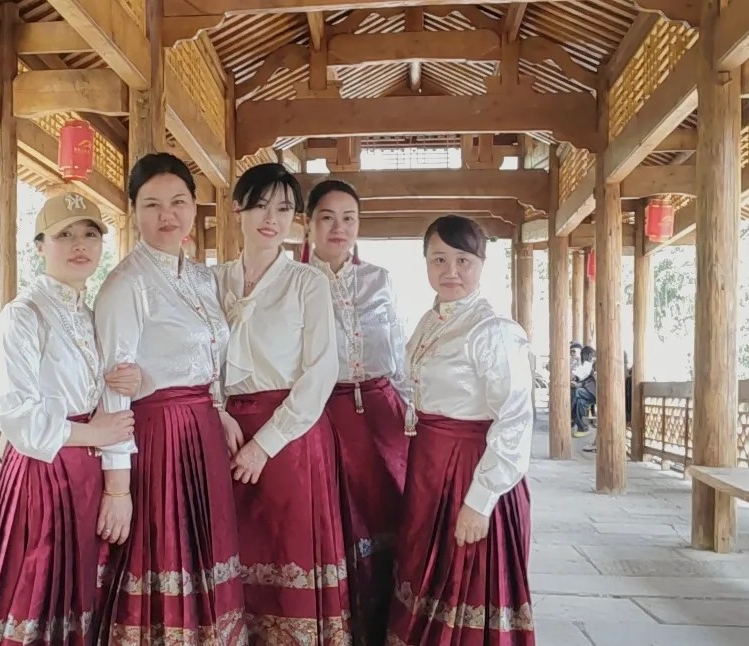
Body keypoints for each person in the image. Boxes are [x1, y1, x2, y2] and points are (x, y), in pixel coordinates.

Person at [0, 193, 140, 645]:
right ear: (40, 246)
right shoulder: (22, 315)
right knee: (34, 591)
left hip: (85, 472)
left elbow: (102, 388)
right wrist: (94, 432)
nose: (79, 244)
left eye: (89, 234)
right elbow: (15, 411)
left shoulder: (90, 316)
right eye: (64, 235)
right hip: (41, 473)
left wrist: (131, 378)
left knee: (77, 595)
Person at [94, 153, 247, 643]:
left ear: (194, 206)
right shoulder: (125, 284)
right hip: (158, 437)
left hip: (203, 431)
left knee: (206, 555)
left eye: (178, 202)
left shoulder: (202, 277)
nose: (168, 215)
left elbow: (209, 357)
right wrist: (117, 490)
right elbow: (113, 391)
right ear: (134, 211)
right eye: (152, 204)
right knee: (163, 553)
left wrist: (218, 409)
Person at [212, 163, 351, 644]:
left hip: (290, 437)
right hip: (225, 433)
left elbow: (321, 372)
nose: (271, 218)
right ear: (238, 209)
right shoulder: (213, 281)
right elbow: (196, 359)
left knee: (287, 553)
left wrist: (264, 444)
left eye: (284, 209)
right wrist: (216, 411)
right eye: (260, 205)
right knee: (230, 553)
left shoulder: (307, 282)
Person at [387, 214, 535, 646]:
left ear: (482, 264)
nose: (450, 271)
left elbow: (514, 419)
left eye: (463, 260)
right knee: (425, 580)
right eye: (439, 259)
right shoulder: (431, 321)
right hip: (430, 470)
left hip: (472, 471)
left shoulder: (494, 331)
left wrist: (480, 501)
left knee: (465, 588)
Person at [302, 178, 412, 646]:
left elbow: (399, 352)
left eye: (349, 218)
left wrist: (412, 413)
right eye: (327, 217)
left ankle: (390, 628)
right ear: (308, 224)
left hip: (384, 416)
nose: (339, 228)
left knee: (393, 519)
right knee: (338, 525)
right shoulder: (294, 281)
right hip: (324, 416)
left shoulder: (379, 279)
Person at [572, 345, 596, 439]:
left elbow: (579, 376)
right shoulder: (587, 364)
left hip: (593, 393)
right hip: (589, 392)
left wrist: (576, 381)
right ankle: (583, 428)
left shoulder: (589, 364)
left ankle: (571, 417)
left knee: (577, 392)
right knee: (580, 402)